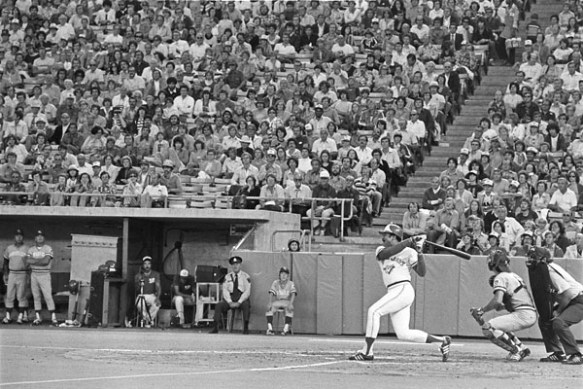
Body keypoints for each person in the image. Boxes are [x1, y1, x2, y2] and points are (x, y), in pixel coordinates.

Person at [349, 224, 451, 361]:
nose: (383, 238)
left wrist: (420, 253)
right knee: (403, 333)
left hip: (403, 288)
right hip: (395, 291)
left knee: (374, 312)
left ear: (393, 236)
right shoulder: (381, 249)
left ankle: (367, 352)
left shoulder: (410, 252)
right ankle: (442, 341)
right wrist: (408, 242)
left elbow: (422, 272)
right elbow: (385, 254)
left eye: (386, 235)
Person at [470, 250, 536, 362]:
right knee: (499, 326)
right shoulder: (514, 276)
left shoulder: (501, 277)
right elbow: (502, 305)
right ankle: (522, 348)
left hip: (523, 313)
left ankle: (516, 350)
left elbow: (497, 301)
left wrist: (482, 310)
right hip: (528, 312)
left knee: (489, 329)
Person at [526, 247, 583, 365]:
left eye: (534, 256)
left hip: (579, 300)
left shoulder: (550, 271)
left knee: (559, 322)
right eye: (530, 256)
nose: (531, 259)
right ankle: (558, 353)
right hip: (571, 300)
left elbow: (567, 294)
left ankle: (576, 354)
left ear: (543, 258)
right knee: (544, 319)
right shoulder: (542, 270)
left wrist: (558, 311)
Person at [210, 256, 251, 334]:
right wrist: (229, 302)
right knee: (219, 305)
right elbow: (225, 290)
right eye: (233, 264)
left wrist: (239, 302)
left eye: (237, 264)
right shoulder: (227, 277)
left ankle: (245, 328)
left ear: (240, 265)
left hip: (241, 298)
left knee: (246, 305)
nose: (235, 266)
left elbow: (247, 291)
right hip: (230, 298)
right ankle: (215, 327)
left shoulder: (246, 276)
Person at [26, 230, 57, 326]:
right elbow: (27, 260)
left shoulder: (48, 248)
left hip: (45, 274)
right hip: (34, 274)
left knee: (48, 296)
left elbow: (46, 261)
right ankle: (38, 317)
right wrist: (40, 260)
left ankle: (53, 318)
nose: (39, 238)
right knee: (36, 296)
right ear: (35, 238)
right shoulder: (31, 249)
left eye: (41, 236)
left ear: (44, 238)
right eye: (38, 236)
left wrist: (34, 261)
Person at [2, 229, 29, 324]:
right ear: (14, 237)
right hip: (12, 273)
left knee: (21, 296)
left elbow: (31, 263)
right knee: (9, 295)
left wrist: (29, 275)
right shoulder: (9, 248)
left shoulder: (27, 249)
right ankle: (8, 316)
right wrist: (5, 274)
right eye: (17, 235)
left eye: (20, 235)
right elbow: (5, 263)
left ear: (23, 237)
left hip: (22, 273)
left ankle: (21, 316)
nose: (19, 237)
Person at [265, 266, 297, 336]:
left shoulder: (291, 283)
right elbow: (271, 293)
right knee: (269, 308)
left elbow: (293, 294)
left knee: (290, 309)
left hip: (286, 301)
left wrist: (291, 304)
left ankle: (285, 330)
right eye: (282, 274)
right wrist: (269, 303)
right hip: (278, 301)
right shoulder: (275, 282)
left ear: (288, 276)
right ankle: (270, 329)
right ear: (279, 275)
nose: (283, 276)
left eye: (285, 274)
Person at [133, 256, 161, 328]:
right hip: (141, 295)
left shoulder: (155, 274)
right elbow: (136, 289)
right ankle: (148, 320)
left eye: (149, 264)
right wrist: (138, 282)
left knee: (157, 305)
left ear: (151, 265)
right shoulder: (138, 275)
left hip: (151, 295)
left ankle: (148, 320)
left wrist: (158, 297)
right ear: (142, 265)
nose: (147, 266)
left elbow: (158, 287)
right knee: (139, 305)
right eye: (145, 264)